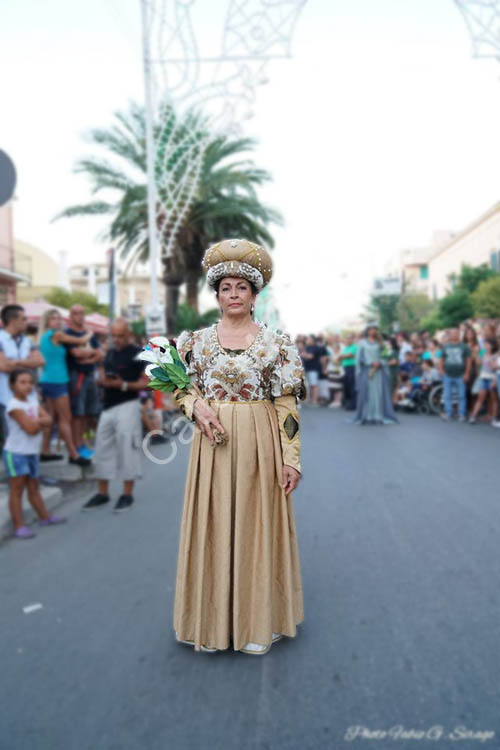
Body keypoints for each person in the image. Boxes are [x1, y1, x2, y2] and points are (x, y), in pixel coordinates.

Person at [172, 238, 306, 655]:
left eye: (241, 288)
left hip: (259, 443)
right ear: (216, 295)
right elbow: (178, 389)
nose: (233, 294)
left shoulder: (278, 344)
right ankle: (210, 624)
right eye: (226, 287)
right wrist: (196, 408)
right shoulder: (193, 342)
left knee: (255, 526)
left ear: (254, 295)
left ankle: (255, 622)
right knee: (213, 526)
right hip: (212, 445)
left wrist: (291, 458)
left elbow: (286, 403)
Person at [81, 318, 148, 513]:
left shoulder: (139, 354)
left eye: (121, 335)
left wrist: (124, 385)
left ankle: (127, 494)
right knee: (102, 448)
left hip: (128, 404)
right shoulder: (109, 353)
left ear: (129, 334)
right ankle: (103, 493)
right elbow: (103, 374)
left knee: (128, 448)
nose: (117, 339)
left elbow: (146, 383)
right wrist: (103, 380)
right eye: (114, 336)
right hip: (108, 406)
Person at [3, 368, 67, 539]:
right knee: (17, 490)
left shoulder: (32, 402)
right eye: (22, 382)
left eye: (30, 382)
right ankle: (19, 526)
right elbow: (31, 429)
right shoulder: (14, 406)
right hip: (16, 453)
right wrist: (40, 421)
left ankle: (44, 517)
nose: (28, 386)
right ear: (12, 386)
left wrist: (37, 421)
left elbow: (49, 420)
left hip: (31, 452)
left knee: (33, 487)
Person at [37, 308, 92, 466]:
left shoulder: (45, 336)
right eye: (53, 318)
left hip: (48, 380)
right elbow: (81, 341)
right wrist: (89, 333)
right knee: (65, 419)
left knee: (52, 418)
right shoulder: (56, 334)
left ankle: (45, 451)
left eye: (59, 318)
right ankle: (74, 455)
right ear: (47, 321)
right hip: (57, 381)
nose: (57, 321)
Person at [0, 304, 45, 442]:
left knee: (31, 436)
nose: (27, 322)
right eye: (24, 319)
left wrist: (16, 362)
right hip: (5, 398)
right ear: (13, 321)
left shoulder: (27, 340)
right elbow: (4, 366)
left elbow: (40, 360)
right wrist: (27, 363)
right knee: (12, 439)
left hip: (28, 397)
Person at [64, 304, 103, 459]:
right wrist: (91, 355)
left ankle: (83, 443)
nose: (79, 316)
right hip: (76, 376)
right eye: (76, 313)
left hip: (89, 375)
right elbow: (77, 353)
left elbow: (100, 353)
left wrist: (90, 357)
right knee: (77, 413)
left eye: (82, 313)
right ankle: (78, 446)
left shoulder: (88, 333)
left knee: (88, 412)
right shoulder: (68, 333)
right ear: (71, 316)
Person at [350, 323, 398, 425]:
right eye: (370, 329)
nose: (372, 331)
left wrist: (380, 363)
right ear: (367, 331)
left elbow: (387, 357)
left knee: (378, 393)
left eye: (374, 329)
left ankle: (378, 414)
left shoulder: (383, 343)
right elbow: (359, 358)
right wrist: (370, 363)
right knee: (368, 392)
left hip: (379, 372)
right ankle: (367, 415)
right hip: (367, 371)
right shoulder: (362, 343)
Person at [436, 327, 472, 422]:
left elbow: (468, 361)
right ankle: (449, 413)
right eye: (452, 333)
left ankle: (461, 414)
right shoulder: (445, 347)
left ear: (459, 335)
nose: (454, 335)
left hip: (461, 374)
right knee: (447, 395)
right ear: (450, 335)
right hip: (447, 374)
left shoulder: (464, 347)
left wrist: (467, 373)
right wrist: (441, 370)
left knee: (461, 395)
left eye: (456, 333)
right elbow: (441, 359)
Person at [468, 338, 499, 424]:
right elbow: (478, 362)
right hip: (484, 377)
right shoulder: (483, 353)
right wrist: (478, 353)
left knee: (494, 399)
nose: (485, 346)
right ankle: (473, 416)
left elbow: (495, 368)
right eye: (485, 344)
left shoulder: (496, 355)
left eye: (487, 344)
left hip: (492, 378)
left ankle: (493, 418)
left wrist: (491, 360)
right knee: (480, 398)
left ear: (492, 346)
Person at [339, 333, 357, 410]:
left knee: (352, 385)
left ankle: (353, 404)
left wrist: (342, 356)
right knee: (346, 386)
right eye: (347, 338)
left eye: (350, 338)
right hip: (345, 368)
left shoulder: (355, 347)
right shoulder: (345, 348)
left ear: (352, 339)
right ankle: (348, 402)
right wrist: (342, 356)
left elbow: (349, 355)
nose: (348, 340)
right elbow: (340, 357)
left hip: (352, 367)